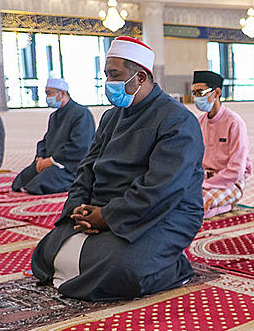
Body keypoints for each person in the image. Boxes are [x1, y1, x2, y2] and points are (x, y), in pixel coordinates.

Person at [31, 37, 204, 301]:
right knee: (46, 254)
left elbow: (163, 187)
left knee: (121, 270)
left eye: (115, 75)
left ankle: (174, 268)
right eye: (106, 75)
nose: (108, 83)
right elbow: (86, 169)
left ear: (141, 77)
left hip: (164, 213)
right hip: (106, 209)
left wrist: (108, 216)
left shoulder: (177, 120)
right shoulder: (111, 116)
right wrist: (79, 209)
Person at [11, 78, 95, 194]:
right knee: (20, 182)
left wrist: (52, 160)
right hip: (50, 161)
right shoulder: (54, 116)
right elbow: (45, 141)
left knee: (36, 185)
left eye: (50, 93)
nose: (47, 97)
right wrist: (40, 158)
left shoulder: (81, 113)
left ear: (63, 93)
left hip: (69, 166)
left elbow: (80, 146)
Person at [192, 70, 252, 219]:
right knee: (174, 199)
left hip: (230, 182)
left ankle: (224, 206)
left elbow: (236, 170)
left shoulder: (234, 123)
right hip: (203, 180)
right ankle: (220, 207)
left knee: (197, 204)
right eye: (194, 93)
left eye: (200, 92)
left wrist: (207, 185)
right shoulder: (199, 122)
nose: (196, 98)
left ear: (217, 92)